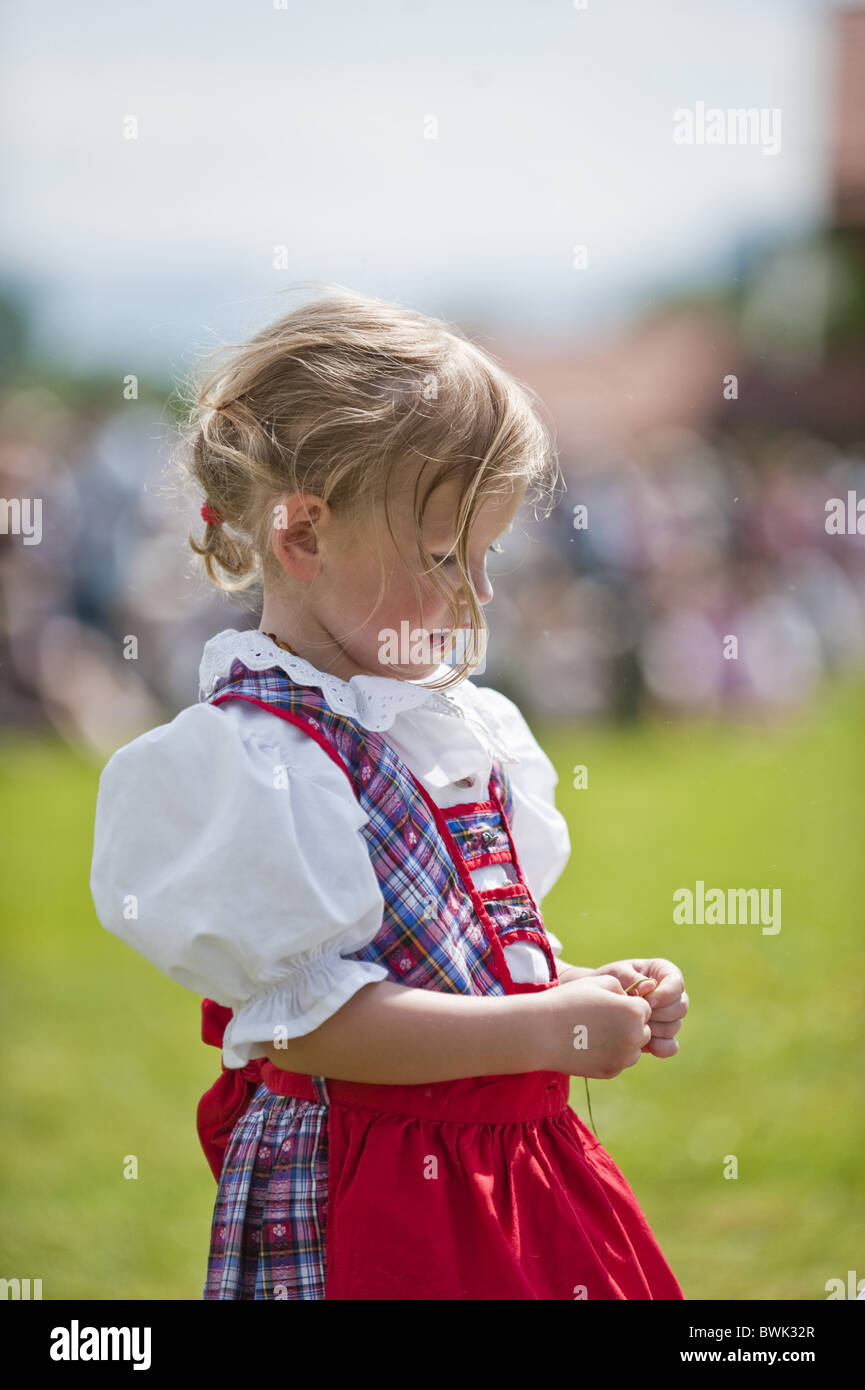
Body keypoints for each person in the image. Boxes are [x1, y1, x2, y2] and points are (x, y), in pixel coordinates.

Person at [90, 286, 688, 1300]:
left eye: (486, 555)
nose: (478, 592)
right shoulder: (263, 759)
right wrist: (542, 1031)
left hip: (502, 1170)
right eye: (447, 554)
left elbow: (457, 964)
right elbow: (310, 1023)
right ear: (304, 536)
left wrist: (582, 986)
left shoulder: (447, 726)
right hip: (376, 1192)